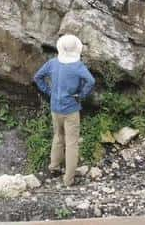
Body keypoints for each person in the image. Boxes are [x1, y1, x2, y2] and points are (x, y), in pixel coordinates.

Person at [33, 34, 95, 186]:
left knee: (58, 136)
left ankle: (53, 167)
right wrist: (81, 95)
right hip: (71, 109)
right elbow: (91, 81)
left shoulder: (53, 63)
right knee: (72, 143)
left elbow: (37, 77)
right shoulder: (78, 66)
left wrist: (48, 92)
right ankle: (68, 179)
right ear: (76, 50)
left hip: (55, 107)